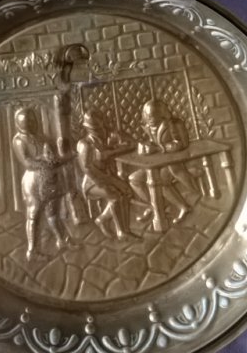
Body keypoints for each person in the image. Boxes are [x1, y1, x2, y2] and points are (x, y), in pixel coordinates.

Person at [11, 107, 72, 260]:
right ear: (20, 124)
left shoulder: (41, 137)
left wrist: (56, 159)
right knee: (34, 213)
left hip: (49, 178)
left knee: (52, 211)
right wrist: (45, 162)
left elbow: (51, 156)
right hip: (33, 181)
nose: (31, 124)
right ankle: (32, 251)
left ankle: (62, 240)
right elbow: (27, 162)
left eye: (32, 120)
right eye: (27, 122)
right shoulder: (19, 140)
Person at [128, 99, 198, 224]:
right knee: (134, 179)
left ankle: (183, 207)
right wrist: (145, 147)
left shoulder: (174, 125)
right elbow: (154, 142)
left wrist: (158, 148)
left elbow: (182, 143)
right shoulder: (148, 127)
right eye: (147, 115)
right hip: (158, 164)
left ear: (162, 113)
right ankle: (155, 206)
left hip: (173, 164)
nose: (149, 118)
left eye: (153, 114)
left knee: (159, 180)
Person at [76, 111, 136, 240]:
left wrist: (119, 138)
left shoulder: (107, 139)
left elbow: (131, 144)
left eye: (100, 127)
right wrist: (113, 181)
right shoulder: (85, 144)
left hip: (109, 177)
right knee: (115, 195)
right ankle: (121, 232)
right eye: (94, 128)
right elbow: (87, 169)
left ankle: (104, 220)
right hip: (93, 182)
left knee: (126, 192)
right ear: (87, 128)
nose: (99, 131)